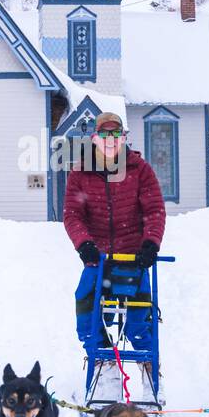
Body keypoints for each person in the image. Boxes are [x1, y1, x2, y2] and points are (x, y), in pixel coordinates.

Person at [62, 111, 166, 355]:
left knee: (139, 322)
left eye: (116, 134)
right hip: (97, 259)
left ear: (123, 138)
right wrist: (84, 243)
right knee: (87, 310)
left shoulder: (140, 170)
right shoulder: (80, 173)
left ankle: (148, 366)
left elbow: (154, 210)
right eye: (105, 134)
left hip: (133, 258)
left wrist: (150, 243)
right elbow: (73, 214)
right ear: (95, 138)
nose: (111, 139)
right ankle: (103, 362)